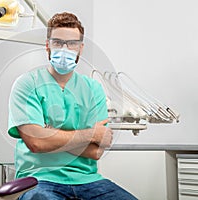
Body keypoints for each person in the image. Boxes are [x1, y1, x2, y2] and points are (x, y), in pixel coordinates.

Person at [8, 12, 137, 200]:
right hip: (39, 179)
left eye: (72, 44)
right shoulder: (27, 84)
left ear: (80, 48)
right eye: (58, 43)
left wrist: (51, 134)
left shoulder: (93, 89)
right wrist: (90, 134)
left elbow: (95, 151)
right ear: (47, 45)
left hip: (89, 180)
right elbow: (36, 143)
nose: (65, 49)